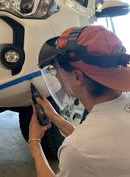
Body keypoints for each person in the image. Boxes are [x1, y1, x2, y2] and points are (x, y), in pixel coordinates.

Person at [28, 25, 130, 177]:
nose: (56, 76)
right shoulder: (88, 144)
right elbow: (99, 146)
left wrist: (34, 143)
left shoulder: (76, 150)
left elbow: (86, 148)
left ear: (77, 77)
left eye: (56, 70)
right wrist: (55, 117)